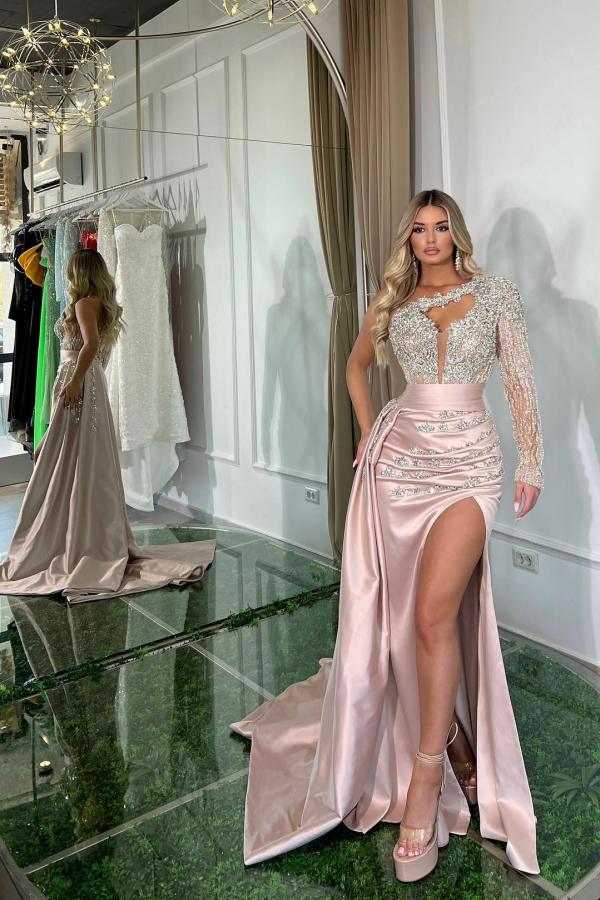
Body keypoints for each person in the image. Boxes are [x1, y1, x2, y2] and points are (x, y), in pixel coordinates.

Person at [230, 189, 543, 882]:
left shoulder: (496, 294)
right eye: (419, 229)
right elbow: (355, 367)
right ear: (409, 238)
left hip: (470, 464)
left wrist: (533, 462)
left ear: (456, 233)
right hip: (399, 464)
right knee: (407, 621)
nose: (430, 239)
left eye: (441, 227)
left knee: (432, 614)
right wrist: (371, 431)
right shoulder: (392, 298)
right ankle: (449, 736)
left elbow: (520, 380)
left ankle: (425, 782)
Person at [0, 248, 215, 603]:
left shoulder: (85, 303)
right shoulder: (99, 303)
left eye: (71, 271)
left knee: (56, 456)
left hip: (78, 381)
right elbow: (97, 349)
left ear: (80, 273)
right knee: (76, 458)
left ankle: (60, 539)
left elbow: (90, 346)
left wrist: (73, 382)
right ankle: (78, 533)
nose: (67, 277)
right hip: (88, 382)